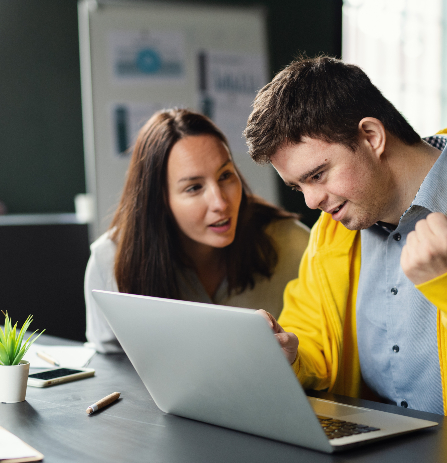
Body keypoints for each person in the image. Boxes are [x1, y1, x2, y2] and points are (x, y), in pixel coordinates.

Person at [243, 56, 447, 438]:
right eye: (299, 187)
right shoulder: (332, 234)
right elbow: (317, 345)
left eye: (317, 175)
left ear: (371, 137)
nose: (311, 201)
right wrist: (291, 356)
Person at [85, 108, 310, 353]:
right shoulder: (110, 261)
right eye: (193, 188)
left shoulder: (292, 243)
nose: (220, 203)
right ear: (159, 200)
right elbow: (110, 365)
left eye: (225, 175)